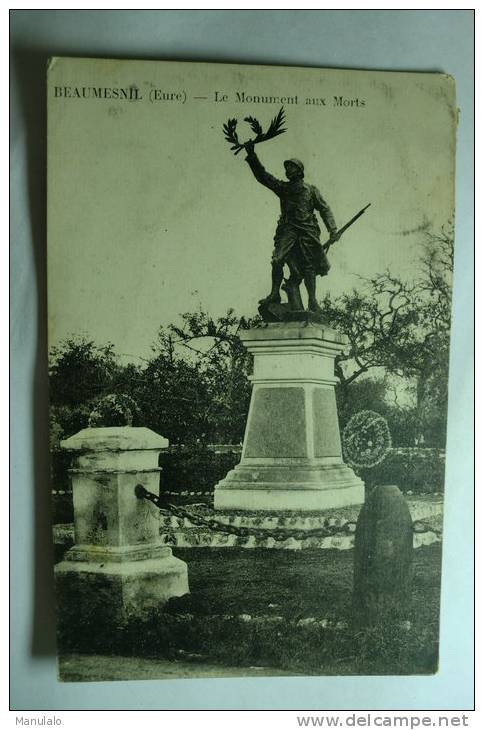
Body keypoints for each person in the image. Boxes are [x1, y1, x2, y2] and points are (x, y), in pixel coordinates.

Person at [244, 140, 340, 314]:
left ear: (300, 171)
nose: (287, 170)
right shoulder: (283, 188)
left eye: (291, 167)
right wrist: (252, 156)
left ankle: (312, 301)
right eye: (286, 168)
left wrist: (332, 229)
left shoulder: (311, 190)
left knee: (309, 267)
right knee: (277, 260)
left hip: (308, 231)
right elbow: (263, 176)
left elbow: (325, 209)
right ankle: (274, 294)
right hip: (288, 231)